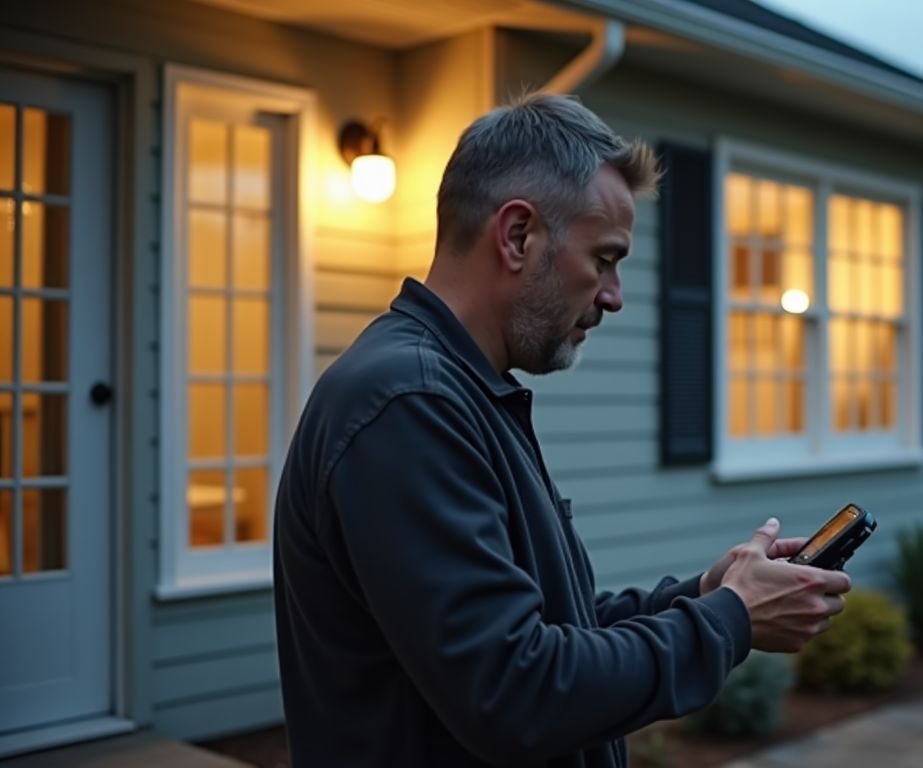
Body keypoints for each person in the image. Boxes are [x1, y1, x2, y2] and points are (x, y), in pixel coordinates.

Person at [272, 92, 851, 768]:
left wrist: (704, 594)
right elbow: (517, 691)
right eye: (605, 259)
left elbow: (549, 632)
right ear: (518, 235)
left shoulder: (460, 393)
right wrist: (731, 621)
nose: (614, 295)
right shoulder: (409, 403)